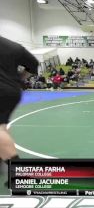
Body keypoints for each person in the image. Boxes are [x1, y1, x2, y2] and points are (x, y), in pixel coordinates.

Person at [0, 37, 39, 183]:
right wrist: (19, 78)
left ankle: (19, 173)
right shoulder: (13, 46)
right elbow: (34, 64)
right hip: (12, 90)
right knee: (2, 126)